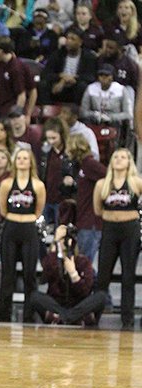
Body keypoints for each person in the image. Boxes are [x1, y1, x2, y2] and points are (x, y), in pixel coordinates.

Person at [93, 148, 142, 330]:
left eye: (123, 157)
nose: (119, 160)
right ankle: (95, 316)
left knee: (128, 276)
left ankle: (127, 320)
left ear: (130, 162)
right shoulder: (102, 184)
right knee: (103, 277)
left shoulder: (136, 182)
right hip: (109, 230)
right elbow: (98, 210)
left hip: (130, 230)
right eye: (116, 157)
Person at [0, 148, 46, 322]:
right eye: (19, 158)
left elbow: (39, 210)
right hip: (10, 228)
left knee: (29, 274)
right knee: (7, 273)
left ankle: (29, 314)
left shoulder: (38, 185)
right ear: (14, 161)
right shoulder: (7, 184)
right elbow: (2, 208)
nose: (22, 161)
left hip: (29, 229)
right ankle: (4, 312)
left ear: (31, 161)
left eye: (26, 158)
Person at [30, 225, 107, 326]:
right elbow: (45, 277)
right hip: (57, 304)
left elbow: (85, 291)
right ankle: (73, 318)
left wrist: (74, 274)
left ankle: (63, 318)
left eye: (62, 240)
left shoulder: (82, 261)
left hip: (79, 304)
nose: (59, 243)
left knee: (101, 297)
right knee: (34, 296)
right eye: (57, 241)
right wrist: (55, 248)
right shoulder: (52, 260)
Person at [65, 135, 106, 263]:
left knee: (84, 262)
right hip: (83, 219)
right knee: (81, 260)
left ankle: (90, 283)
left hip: (91, 222)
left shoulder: (91, 164)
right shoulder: (81, 166)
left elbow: (110, 178)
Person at [39, 27, 98, 105]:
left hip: (76, 86)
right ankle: (46, 111)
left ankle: (79, 113)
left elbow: (91, 77)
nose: (68, 41)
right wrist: (60, 76)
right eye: (67, 38)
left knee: (83, 86)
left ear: (80, 42)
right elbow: (45, 74)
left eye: (72, 39)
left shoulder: (89, 57)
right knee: (43, 84)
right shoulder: (57, 54)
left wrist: (74, 78)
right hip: (57, 86)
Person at [38, 117, 69, 227]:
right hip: (45, 197)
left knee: (59, 231)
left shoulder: (70, 152)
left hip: (62, 199)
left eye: (54, 138)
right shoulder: (44, 151)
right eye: (48, 138)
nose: (51, 141)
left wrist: (71, 180)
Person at [0, 36, 27, 118]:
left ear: (0, 51)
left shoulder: (16, 68)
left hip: (9, 110)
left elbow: (21, 95)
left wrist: (16, 115)